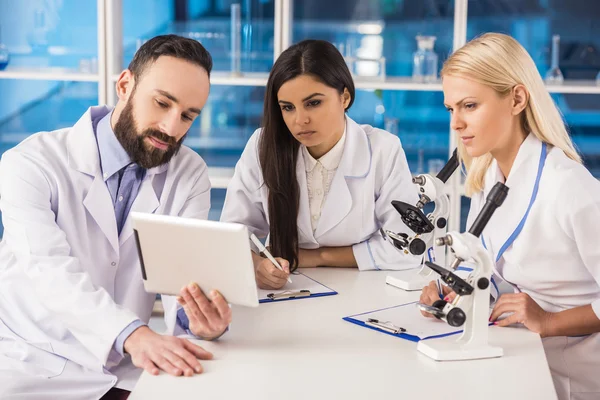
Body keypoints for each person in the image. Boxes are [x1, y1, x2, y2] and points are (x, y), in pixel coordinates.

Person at [0, 35, 231, 400]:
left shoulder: (189, 174)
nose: (172, 128)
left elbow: (182, 279)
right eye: (162, 103)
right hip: (34, 364)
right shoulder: (29, 164)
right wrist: (134, 335)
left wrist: (201, 321)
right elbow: (49, 272)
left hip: (124, 369)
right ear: (125, 85)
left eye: (188, 115)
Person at [419, 33, 600, 400]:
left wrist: (549, 321)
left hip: (573, 374)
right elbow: (493, 258)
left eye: (469, 106)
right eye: (450, 108)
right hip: (519, 357)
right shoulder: (489, 175)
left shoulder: (569, 187)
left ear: (517, 98)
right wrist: (457, 287)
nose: (456, 123)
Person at [220, 39, 421, 290]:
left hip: (363, 292)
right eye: (288, 108)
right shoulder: (263, 145)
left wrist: (315, 257)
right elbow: (231, 235)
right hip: (286, 292)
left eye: (313, 103)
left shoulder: (384, 150)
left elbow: (408, 248)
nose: (300, 120)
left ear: (344, 97)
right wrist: (256, 265)